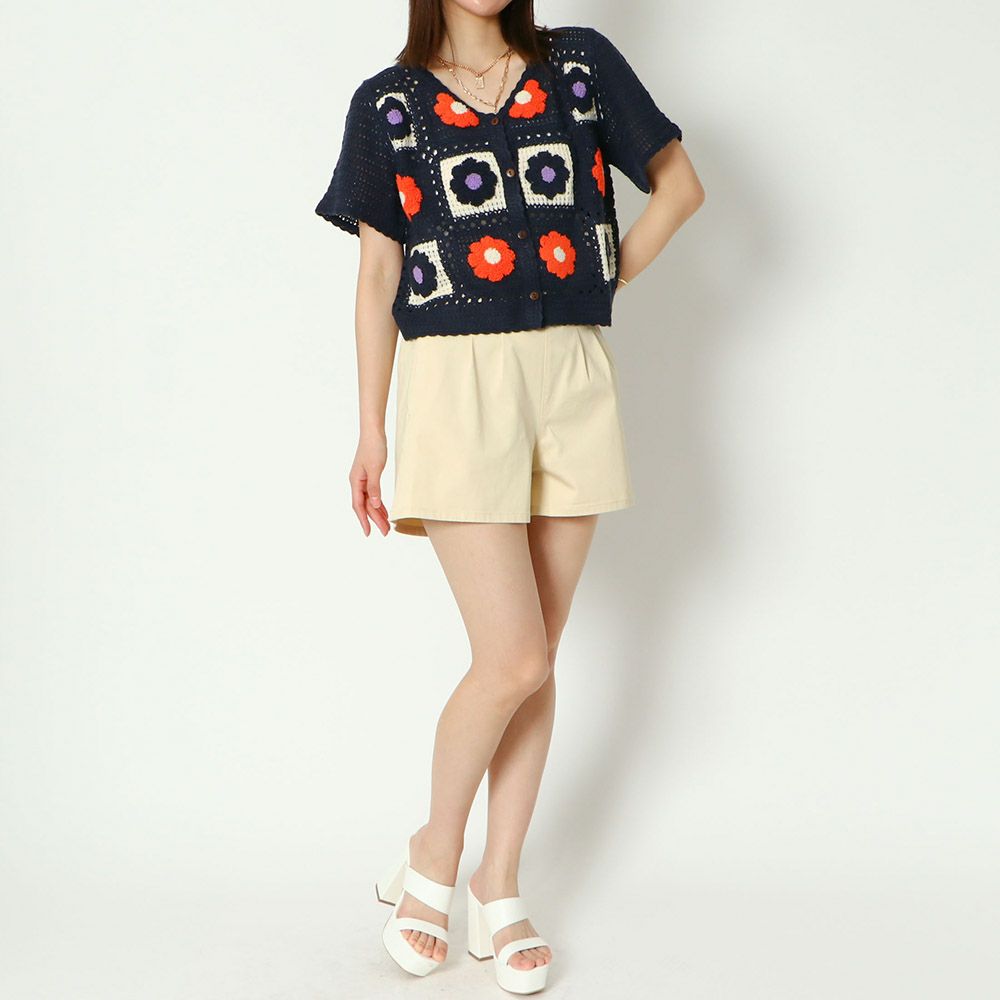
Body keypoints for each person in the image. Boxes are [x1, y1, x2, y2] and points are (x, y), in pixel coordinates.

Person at [313, 1, 704, 992]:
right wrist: (371, 427)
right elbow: (377, 272)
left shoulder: (580, 64)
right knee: (513, 656)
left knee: (537, 662)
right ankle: (435, 855)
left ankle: (500, 880)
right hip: (456, 381)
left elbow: (680, 186)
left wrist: (598, 279)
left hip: (572, 375)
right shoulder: (388, 103)